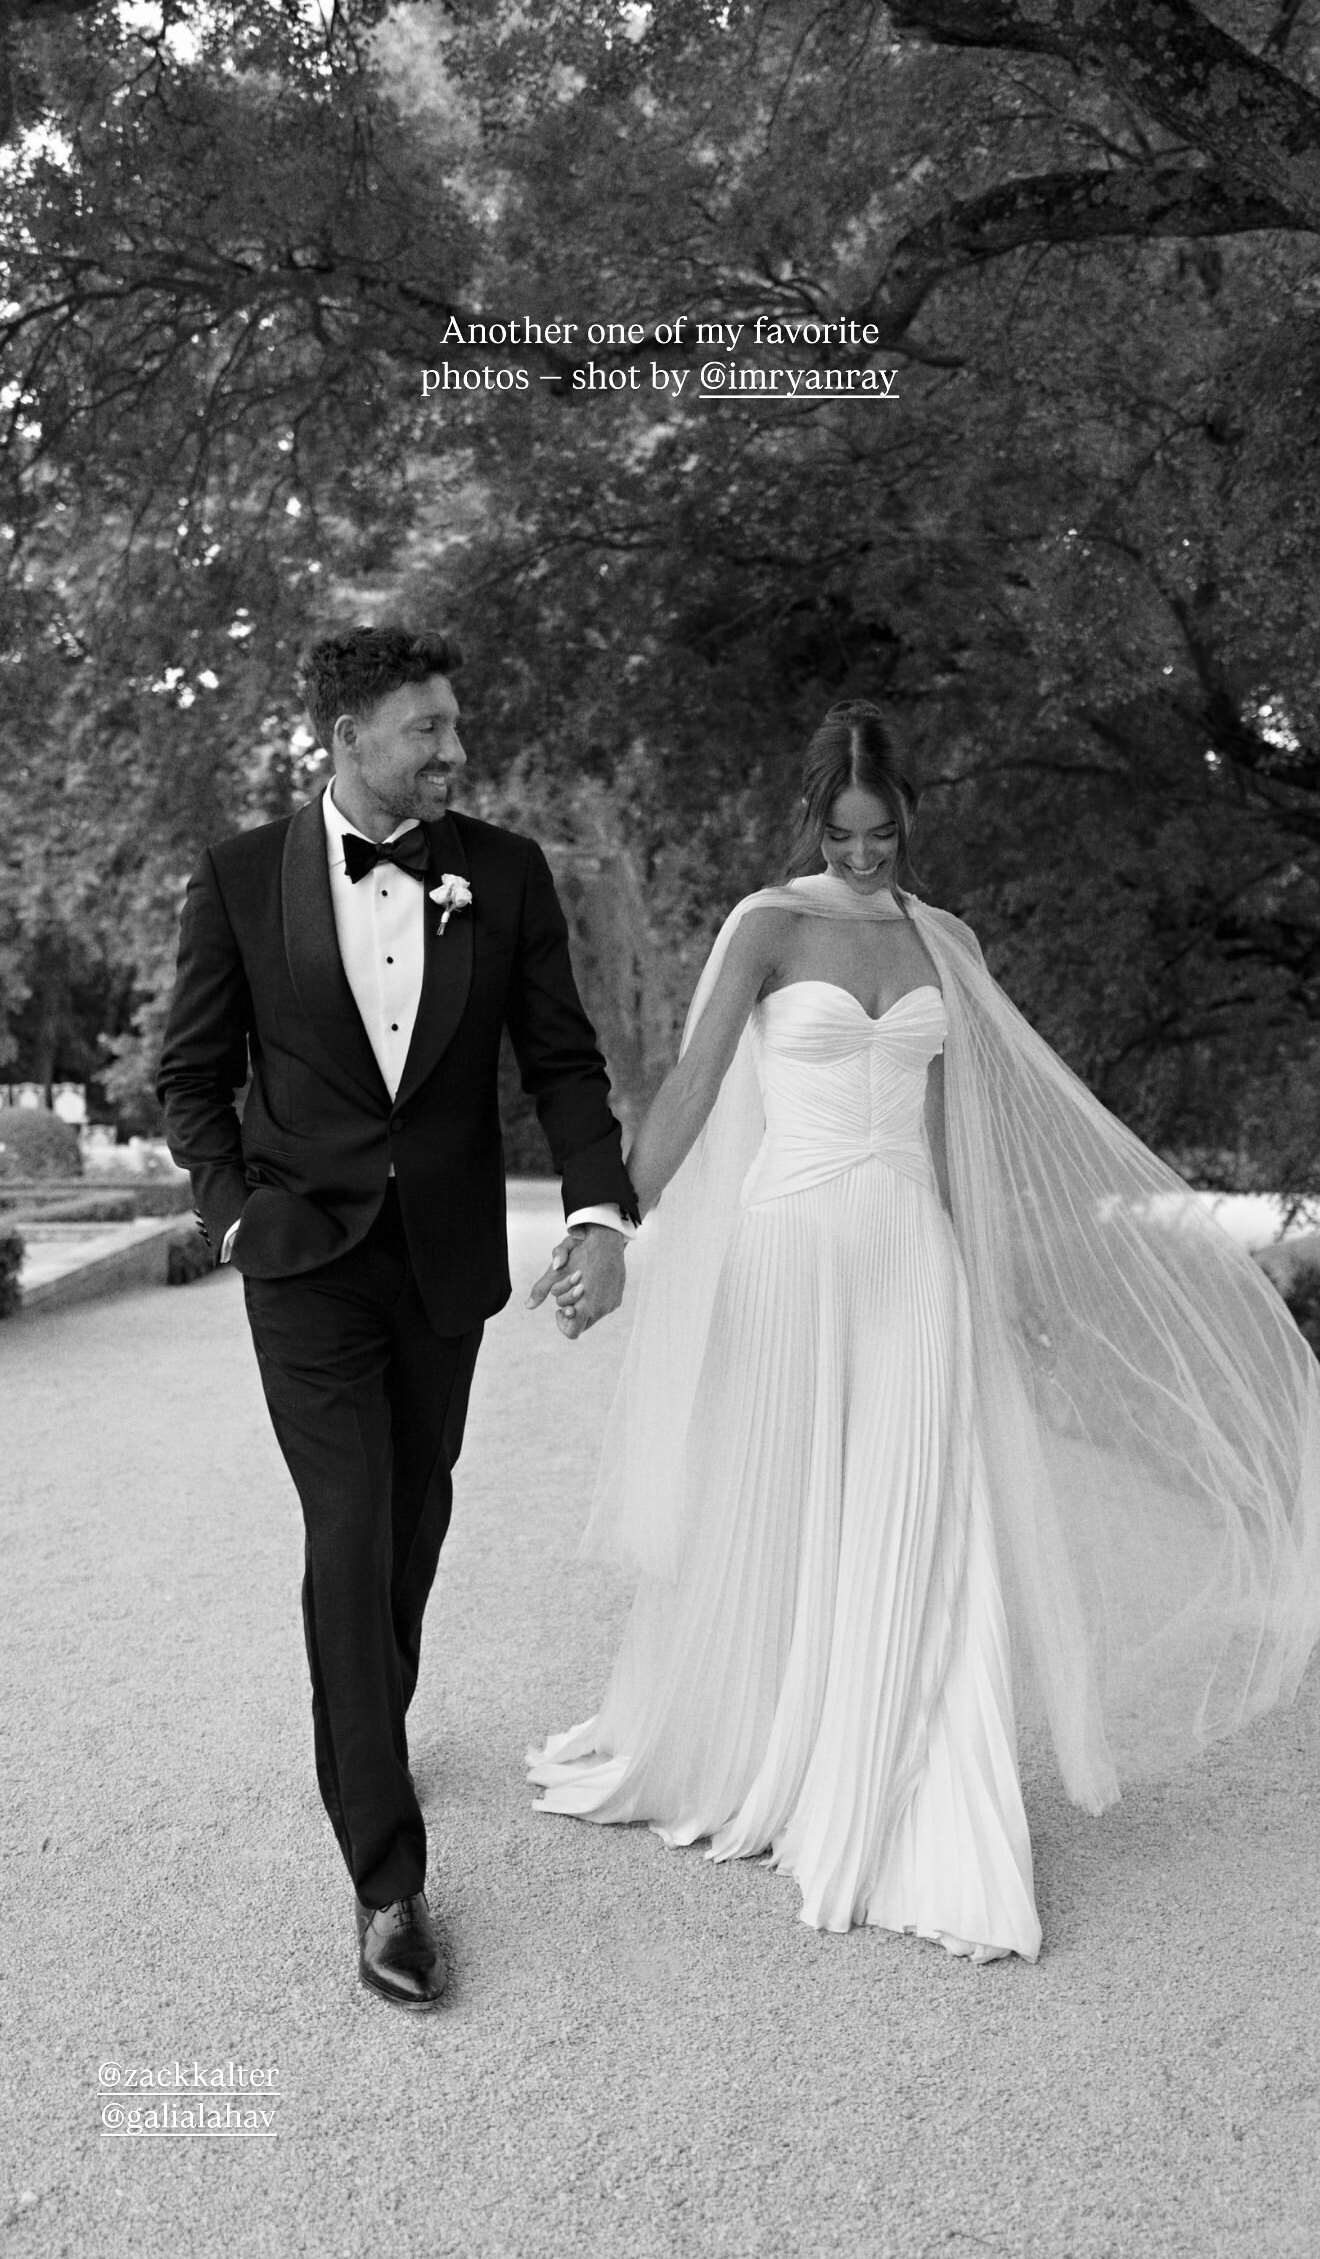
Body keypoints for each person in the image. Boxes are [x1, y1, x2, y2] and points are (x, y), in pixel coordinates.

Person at [529, 701, 1320, 1962]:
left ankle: (914, 1779)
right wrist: (609, 1226)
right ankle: (766, 1743)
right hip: (789, 1251)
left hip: (912, 1256)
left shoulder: (946, 941)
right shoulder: (766, 925)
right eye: (841, 833)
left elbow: (960, 1127)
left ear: (908, 822)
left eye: (881, 835)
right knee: (784, 1502)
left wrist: (996, 1278)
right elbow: (693, 1086)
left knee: (920, 1508)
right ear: (812, 818)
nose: (860, 856)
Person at [157, 625, 635, 2009]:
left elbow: (562, 1060)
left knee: (414, 1521)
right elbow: (191, 1076)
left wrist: (600, 1215)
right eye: (428, 728)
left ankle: (369, 1715)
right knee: (351, 1523)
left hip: (440, 1264)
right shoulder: (240, 876)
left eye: (453, 726)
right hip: (303, 1264)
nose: (453, 749)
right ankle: (386, 1877)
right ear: (349, 735)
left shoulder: (502, 873)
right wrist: (233, 1217)